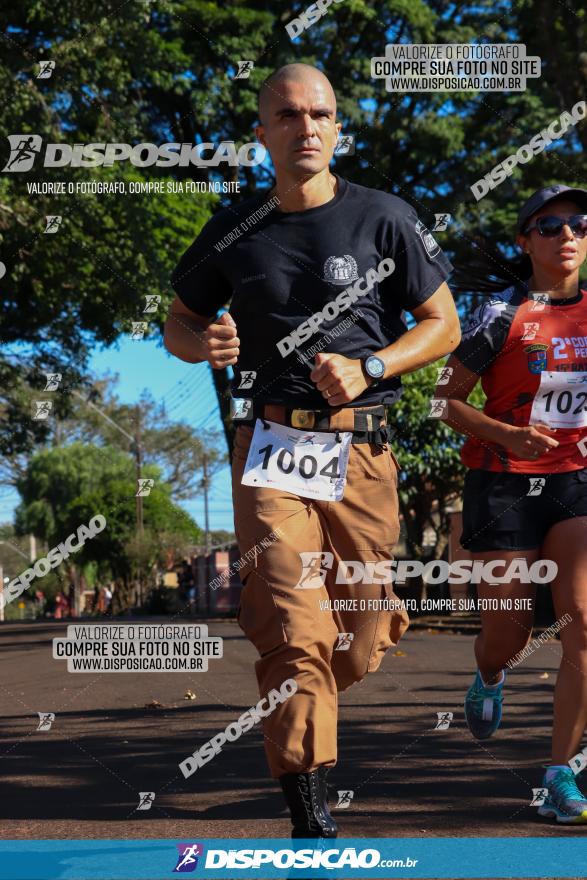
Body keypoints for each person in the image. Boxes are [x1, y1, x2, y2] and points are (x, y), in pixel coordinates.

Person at [165, 63, 460, 836]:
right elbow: (177, 323)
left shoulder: (384, 218)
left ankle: (319, 687)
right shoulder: (233, 225)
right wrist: (206, 341)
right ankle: (309, 804)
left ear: (338, 128)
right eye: (288, 116)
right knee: (294, 628)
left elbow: (443, 324)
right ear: (262, 133)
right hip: (268, 448)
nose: (306, 128)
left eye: (319, 114)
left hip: (361, 452)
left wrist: (370, 366)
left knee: (361, 633)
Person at [438, 184, 587, 823]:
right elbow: (444, 401)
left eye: (579, 223)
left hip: (575, 480)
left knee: (583, 622)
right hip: (502, 483)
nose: (568, 235)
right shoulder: (500, 315)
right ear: (525, 240)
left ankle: (560, 774)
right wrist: (507, 434)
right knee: (509, 630)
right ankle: (490, 675)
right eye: (549, 226)